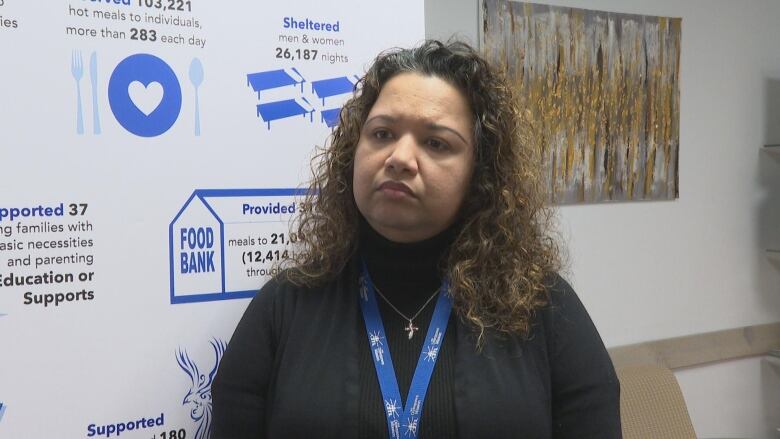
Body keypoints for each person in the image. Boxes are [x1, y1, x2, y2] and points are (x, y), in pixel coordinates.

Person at [211, 40, 621, 439]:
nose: (400, 158)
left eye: (436, 143)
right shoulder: (284, 306)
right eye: (383, 134)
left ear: (479, 176)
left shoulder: (543, 307)